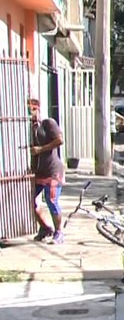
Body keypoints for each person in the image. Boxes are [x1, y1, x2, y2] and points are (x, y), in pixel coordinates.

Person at [28, 98, 65, 244]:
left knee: (51, 201)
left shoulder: (48, 123)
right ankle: (45, 227)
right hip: (38, 171)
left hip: (52, 171)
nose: (32, 113)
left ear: (38, 109)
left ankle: (59, 232)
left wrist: (41, 149)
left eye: (33, 109)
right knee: (28, 201)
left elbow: (59, 140)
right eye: (29, 110)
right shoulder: (28, 127)